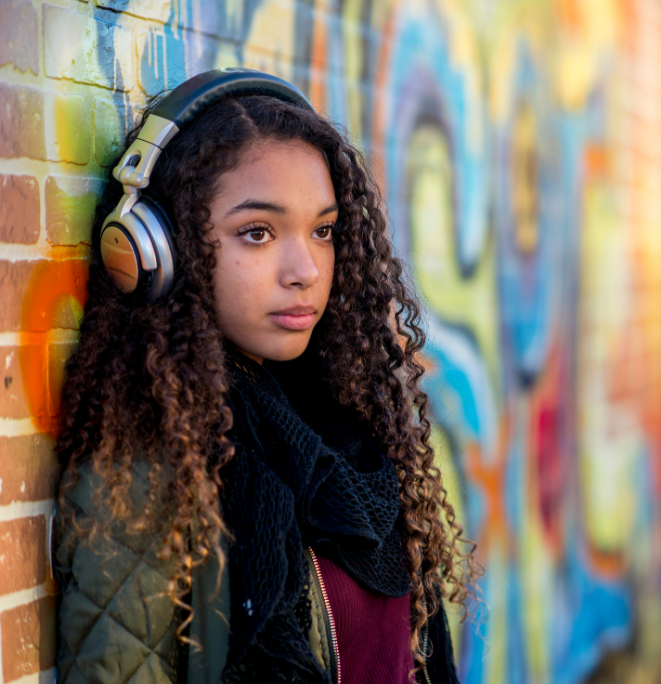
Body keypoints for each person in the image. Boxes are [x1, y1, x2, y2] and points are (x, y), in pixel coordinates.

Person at [53, 69, 480, 684]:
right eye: (257, 233)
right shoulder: (150, 469)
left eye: (323, 231)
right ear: (155, 252)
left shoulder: (350, 437)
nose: (305, 268)